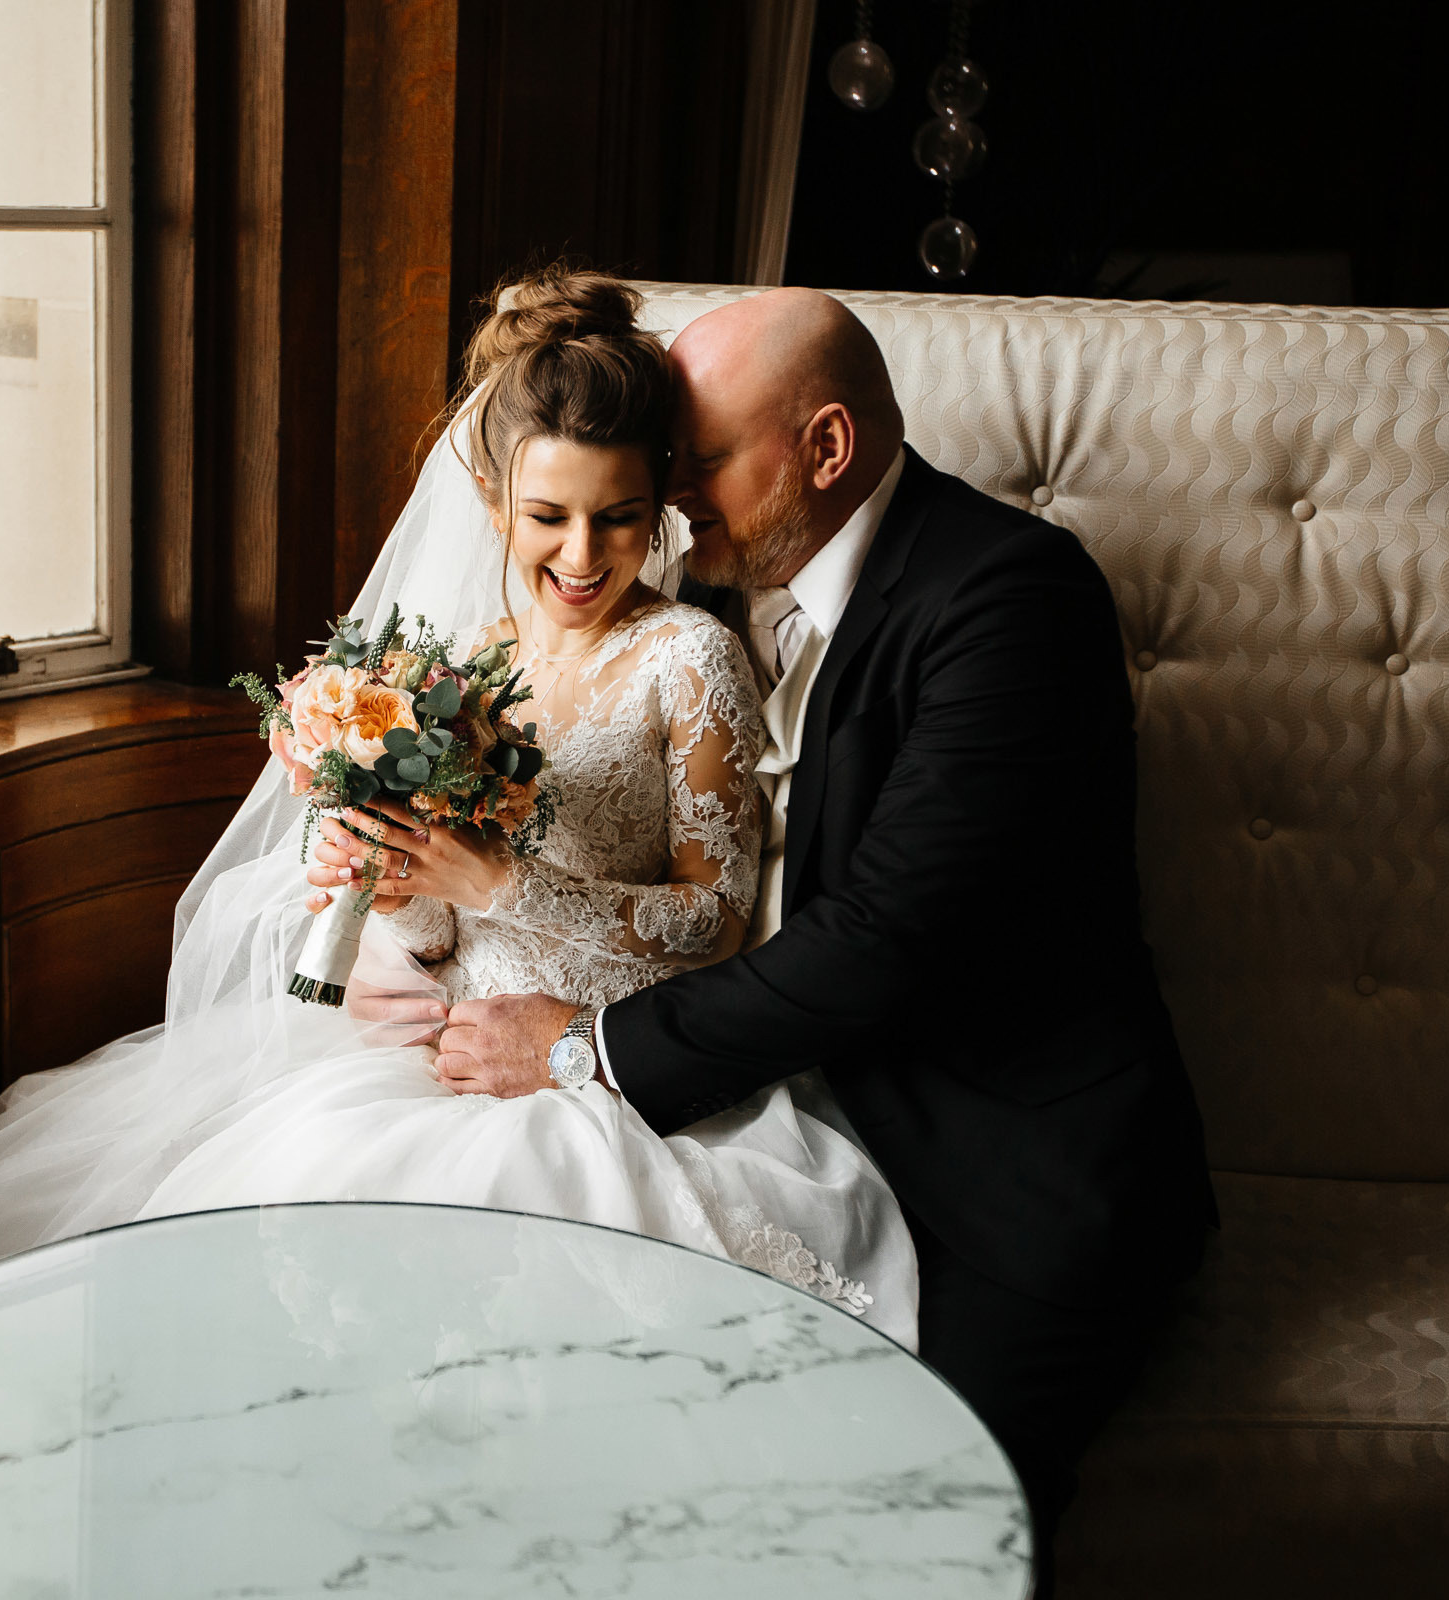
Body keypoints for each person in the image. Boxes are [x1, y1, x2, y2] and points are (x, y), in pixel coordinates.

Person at [0, 271, 914, 1598]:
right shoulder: (455, 662)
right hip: (421, 1056)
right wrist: (387, 902)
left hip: (599, 1075)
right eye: (548, 518)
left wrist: (502, 891)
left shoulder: (686, 662)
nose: (583, 556)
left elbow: (712, 921)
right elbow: (405, 897)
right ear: (495, 505)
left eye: (621, 520)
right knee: (233, 1343)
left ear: (660, 509)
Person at [425, 287, 1216, 1593]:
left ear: (827, 451)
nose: (670, 495)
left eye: (702, 459)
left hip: (1003, 1174)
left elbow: (885, 938)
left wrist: (587, 1050)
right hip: (776, 1121)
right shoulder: (713, 588)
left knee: (911, 1531)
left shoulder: (1007, 597)